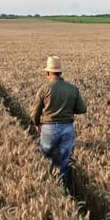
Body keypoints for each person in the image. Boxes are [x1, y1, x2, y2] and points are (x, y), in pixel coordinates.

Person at [31, 56, 87, 186]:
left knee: (46, 158)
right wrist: (68, 109)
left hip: (48, 129)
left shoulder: (44, 89)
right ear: (61, 72)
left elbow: (34, 113)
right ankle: (64, 186)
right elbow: (82, 109)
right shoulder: (72, 88)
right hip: (68, 128)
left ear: (48, 73)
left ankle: (50, 187)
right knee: (65, 160)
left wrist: (37, 124)